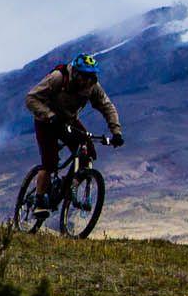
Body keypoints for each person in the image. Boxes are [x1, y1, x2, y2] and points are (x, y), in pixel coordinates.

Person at [24, 52, 123, 211]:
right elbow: (31, 98)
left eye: (91, 76)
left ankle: (71, 187)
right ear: (76, 73)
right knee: (50, 163)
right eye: (85, 76)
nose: (88, 80)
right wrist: (50, 115)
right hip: (46, 121)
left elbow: (107, 107)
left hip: (68, 121)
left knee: (88, 152)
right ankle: (39, 199)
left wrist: (116, 132)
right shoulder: (58, 78)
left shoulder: (92, 87)